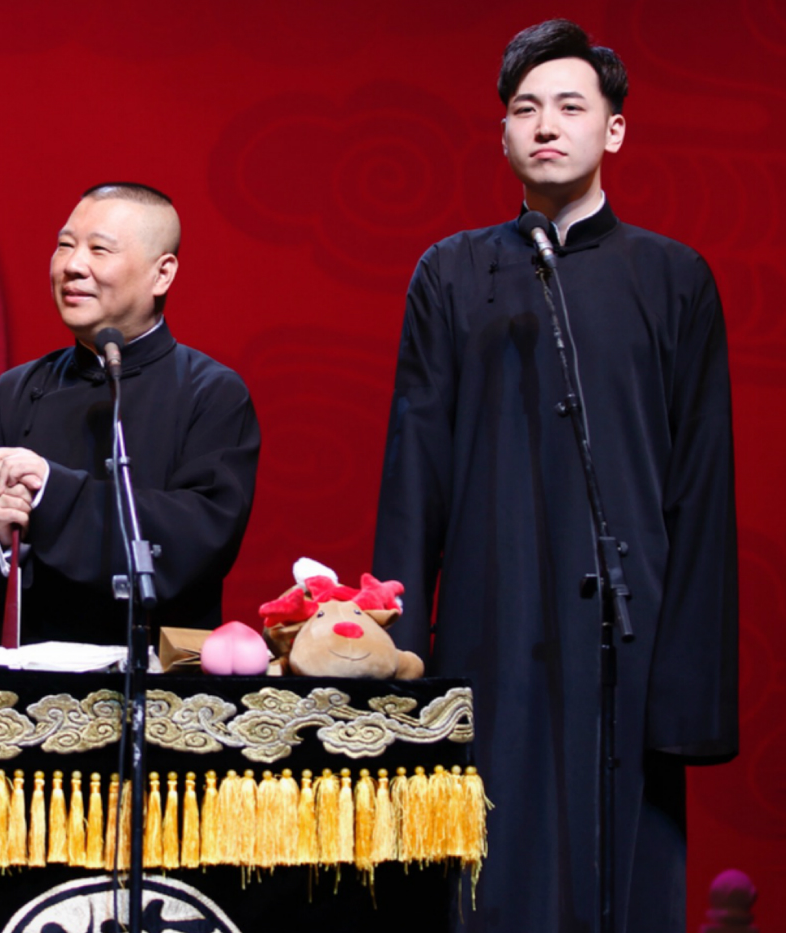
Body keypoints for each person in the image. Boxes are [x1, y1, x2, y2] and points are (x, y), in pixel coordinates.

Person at [371, 19, 737, 933]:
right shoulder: (453, 273)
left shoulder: (674, 278)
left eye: (570, 107)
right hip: (489, 626)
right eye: (525, 108)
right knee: (489, 871)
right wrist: (400, 660)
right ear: (502, 133)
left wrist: (686, 682)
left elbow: (701, 485)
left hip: (631, 631)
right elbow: (414, 477)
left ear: (614, 129)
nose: (545, 126)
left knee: (622, 871)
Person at [0, 183, 260, 646]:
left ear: (161, 274)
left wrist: (52, 491)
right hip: (32, 675)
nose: (72, 265)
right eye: (65, 245)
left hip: (159, 676)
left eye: (99, 249)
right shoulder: (13, 391)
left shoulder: (212, 392)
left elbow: (202, 535)